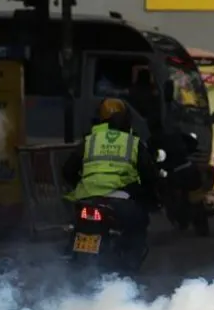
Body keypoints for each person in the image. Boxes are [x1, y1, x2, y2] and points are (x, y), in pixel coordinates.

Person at [63, 97, 160, 265]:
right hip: (120, 199)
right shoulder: (133, 143)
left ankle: (74, 249)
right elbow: (149, 174)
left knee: (75, 223)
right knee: (139, 221)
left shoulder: (90, 141)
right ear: (126, 118)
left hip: (87, 197)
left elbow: (68, 170)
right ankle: (130, 260)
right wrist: (151, 195)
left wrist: (83, 184)